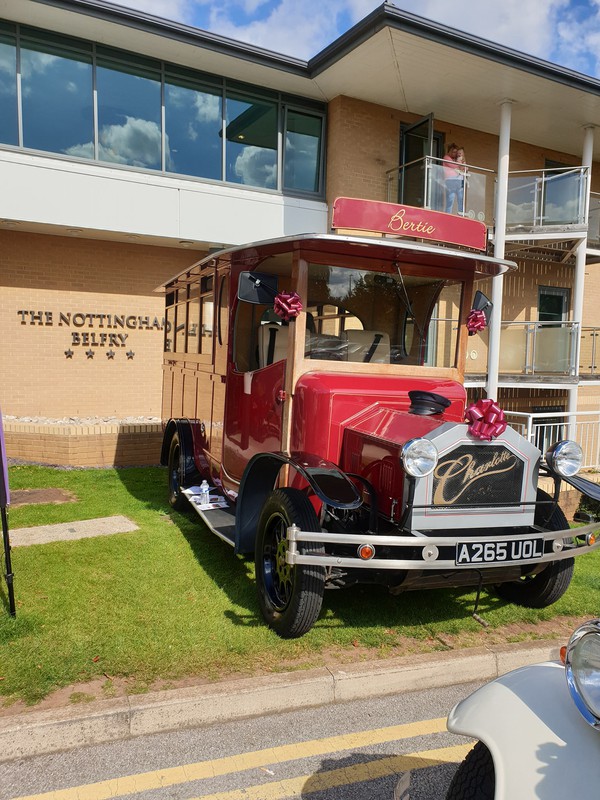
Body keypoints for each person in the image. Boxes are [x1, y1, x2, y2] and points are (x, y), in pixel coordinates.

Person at [443, 143, 466, 215]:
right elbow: (452, 165)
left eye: (456, 152)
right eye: (453, 152)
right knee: (450, 199)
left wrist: (461, 164)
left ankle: (461, 215)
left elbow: (465, 168)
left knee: (460, 199)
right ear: (449, 151)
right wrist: (460, 164)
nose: (455, 154)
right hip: (450, 181)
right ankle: (448, 215)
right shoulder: (446, 157)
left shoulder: (457, 159)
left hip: (459, 180)